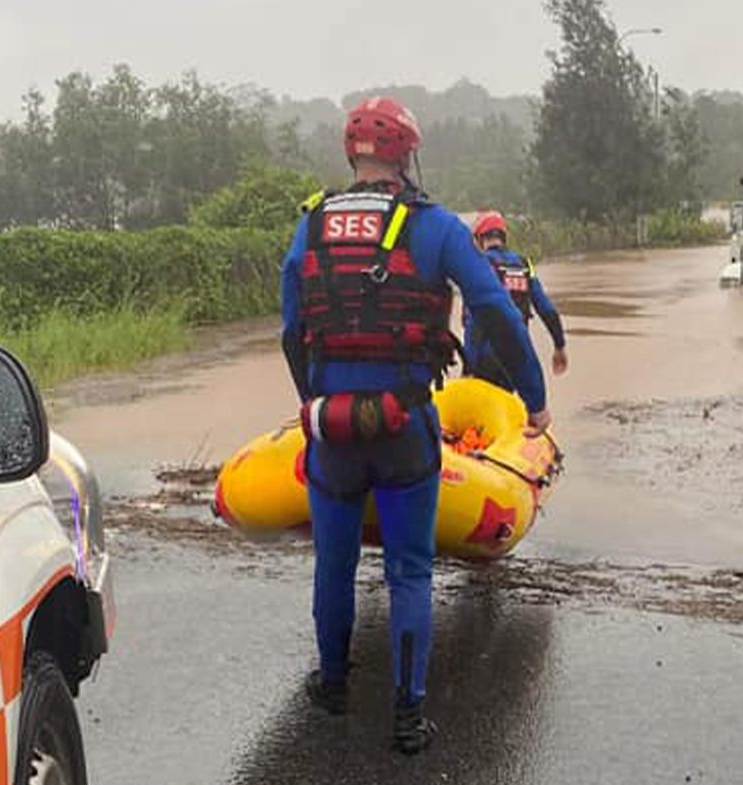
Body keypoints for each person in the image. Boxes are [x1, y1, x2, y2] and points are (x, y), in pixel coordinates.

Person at [279, 97, 551, 754]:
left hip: (330, 431)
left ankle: (336, 683)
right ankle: (407, 714)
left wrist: (317, 404)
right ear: (406, 154)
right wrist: (536, 402)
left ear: (354, 154)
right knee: (408, 571)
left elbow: (292, 333)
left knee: (334, 563)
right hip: (406, 428)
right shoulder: (435, 227)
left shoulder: (311, 224)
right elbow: (494, 311)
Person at [463, 211, 568, 388]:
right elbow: (546, 308)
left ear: (480, 239)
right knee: (510, 409)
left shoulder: (480, 264)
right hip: (518, 357)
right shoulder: (525, 266)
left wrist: (468, 367)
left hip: (487, 360)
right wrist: (559, 345)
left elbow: (474, 320)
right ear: (503, 237)